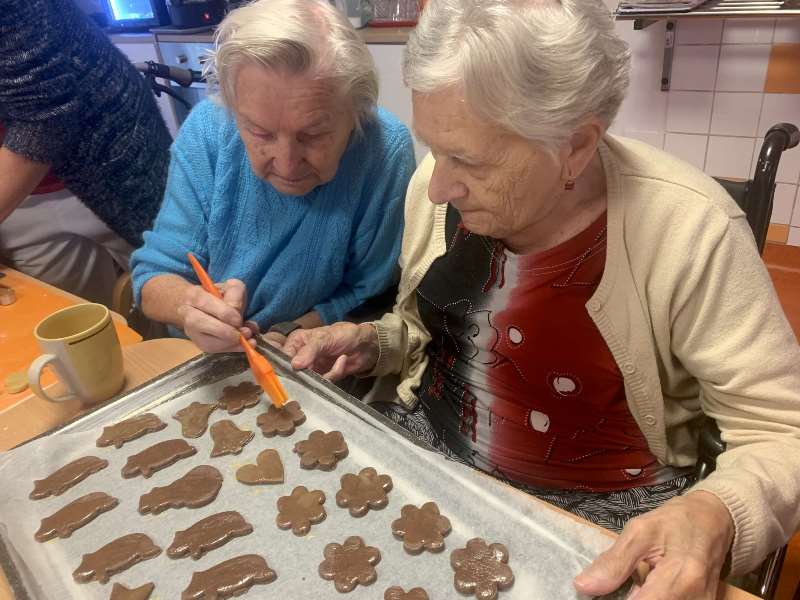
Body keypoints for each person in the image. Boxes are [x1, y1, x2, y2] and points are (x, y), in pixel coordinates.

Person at [281, 0, 800, 597]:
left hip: (603, 515)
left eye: (469, 159)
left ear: (575, 147)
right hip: (428, 454)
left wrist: (717, 513)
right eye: (436, 149)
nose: (441, 183)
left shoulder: (692, 231)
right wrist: (375, 341)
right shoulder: (436, 189)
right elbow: (431, 331)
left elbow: (780, 431)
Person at [130, 0, 415, 352]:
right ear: (233, 110)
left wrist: (291, 330)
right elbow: (153, 276)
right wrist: (190, 306)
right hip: (197, 354)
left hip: (310, 354)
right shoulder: (208, 129)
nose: (287, 164)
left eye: (312, 135)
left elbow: (366, 293)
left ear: (357, 114)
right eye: (260, 133)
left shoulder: (385, 151)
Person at [0, 0, 171, 306]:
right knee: (72, 328)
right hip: (20, 202)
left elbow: (44, 117)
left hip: (113, 155)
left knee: (184, 297)